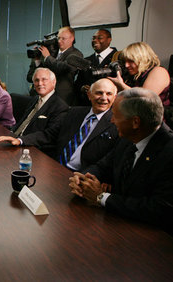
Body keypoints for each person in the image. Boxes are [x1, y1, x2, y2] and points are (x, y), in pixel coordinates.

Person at [69, 88, 173, 231]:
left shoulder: (168, 152)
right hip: (113, 223)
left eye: (116, 116)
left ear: (135, 122)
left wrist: (102, 197)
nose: (112, 120)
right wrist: (82, 180)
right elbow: (103, 166)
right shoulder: (128, 137)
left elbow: (158, 208)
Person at [0, 78, 119, 171]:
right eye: (99, 93)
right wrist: (20, 140)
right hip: (54, 166)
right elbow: (51, 134)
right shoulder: (74, 112)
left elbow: (110, 160)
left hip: (82, 175)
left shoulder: (116, 123)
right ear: (89, 95)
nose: (103, 98)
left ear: (115, 97)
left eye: (108, 94)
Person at [27, 26, 83, 105]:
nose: (60, 41)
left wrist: (47, 57)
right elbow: (31, 77)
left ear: (72, 39)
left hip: (61, 98)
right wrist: (37, 60)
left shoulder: (76, 54)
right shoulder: (51, 52)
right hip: (39, 97)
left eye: (63, 38)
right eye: (58, 38)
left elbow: (62, 68)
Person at [108, 42, 170, 106]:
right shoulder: (133, 75)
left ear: (143, 59)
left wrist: (121, 84)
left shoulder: (159, 71)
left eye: (131, 61)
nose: (126, 65)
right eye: (125, 61)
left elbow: (144, 99)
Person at [12, 68, 69, 137]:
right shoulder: (35, 99)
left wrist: (21, 140)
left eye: (44, 80)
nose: (39, 83)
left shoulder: (60, 106)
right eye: (36, 80)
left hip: (31, 144)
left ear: (54, 82)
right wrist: (11, 132)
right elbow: (23, 122)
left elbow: (49, 135)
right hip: (15, 137)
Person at [74, 29, 118, 105]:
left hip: (108, 105)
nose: (95, 40)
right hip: (87, 105)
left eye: (99, 38)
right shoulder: (86, 60)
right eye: (93, 38)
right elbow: (78, 83)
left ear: (109, 40)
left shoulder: (117, 58)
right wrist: (82, 88)